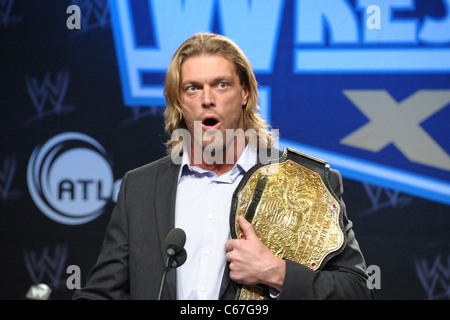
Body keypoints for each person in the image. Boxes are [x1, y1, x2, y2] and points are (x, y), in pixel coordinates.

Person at [72, 32, 374, 300]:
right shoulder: (139, 187)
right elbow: (102, 293)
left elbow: (358, 291)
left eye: (221, 85)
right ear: (178, 101)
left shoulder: (304, 182)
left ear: (244, 93)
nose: (207, 99)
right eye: (192, 88)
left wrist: (276, 273)